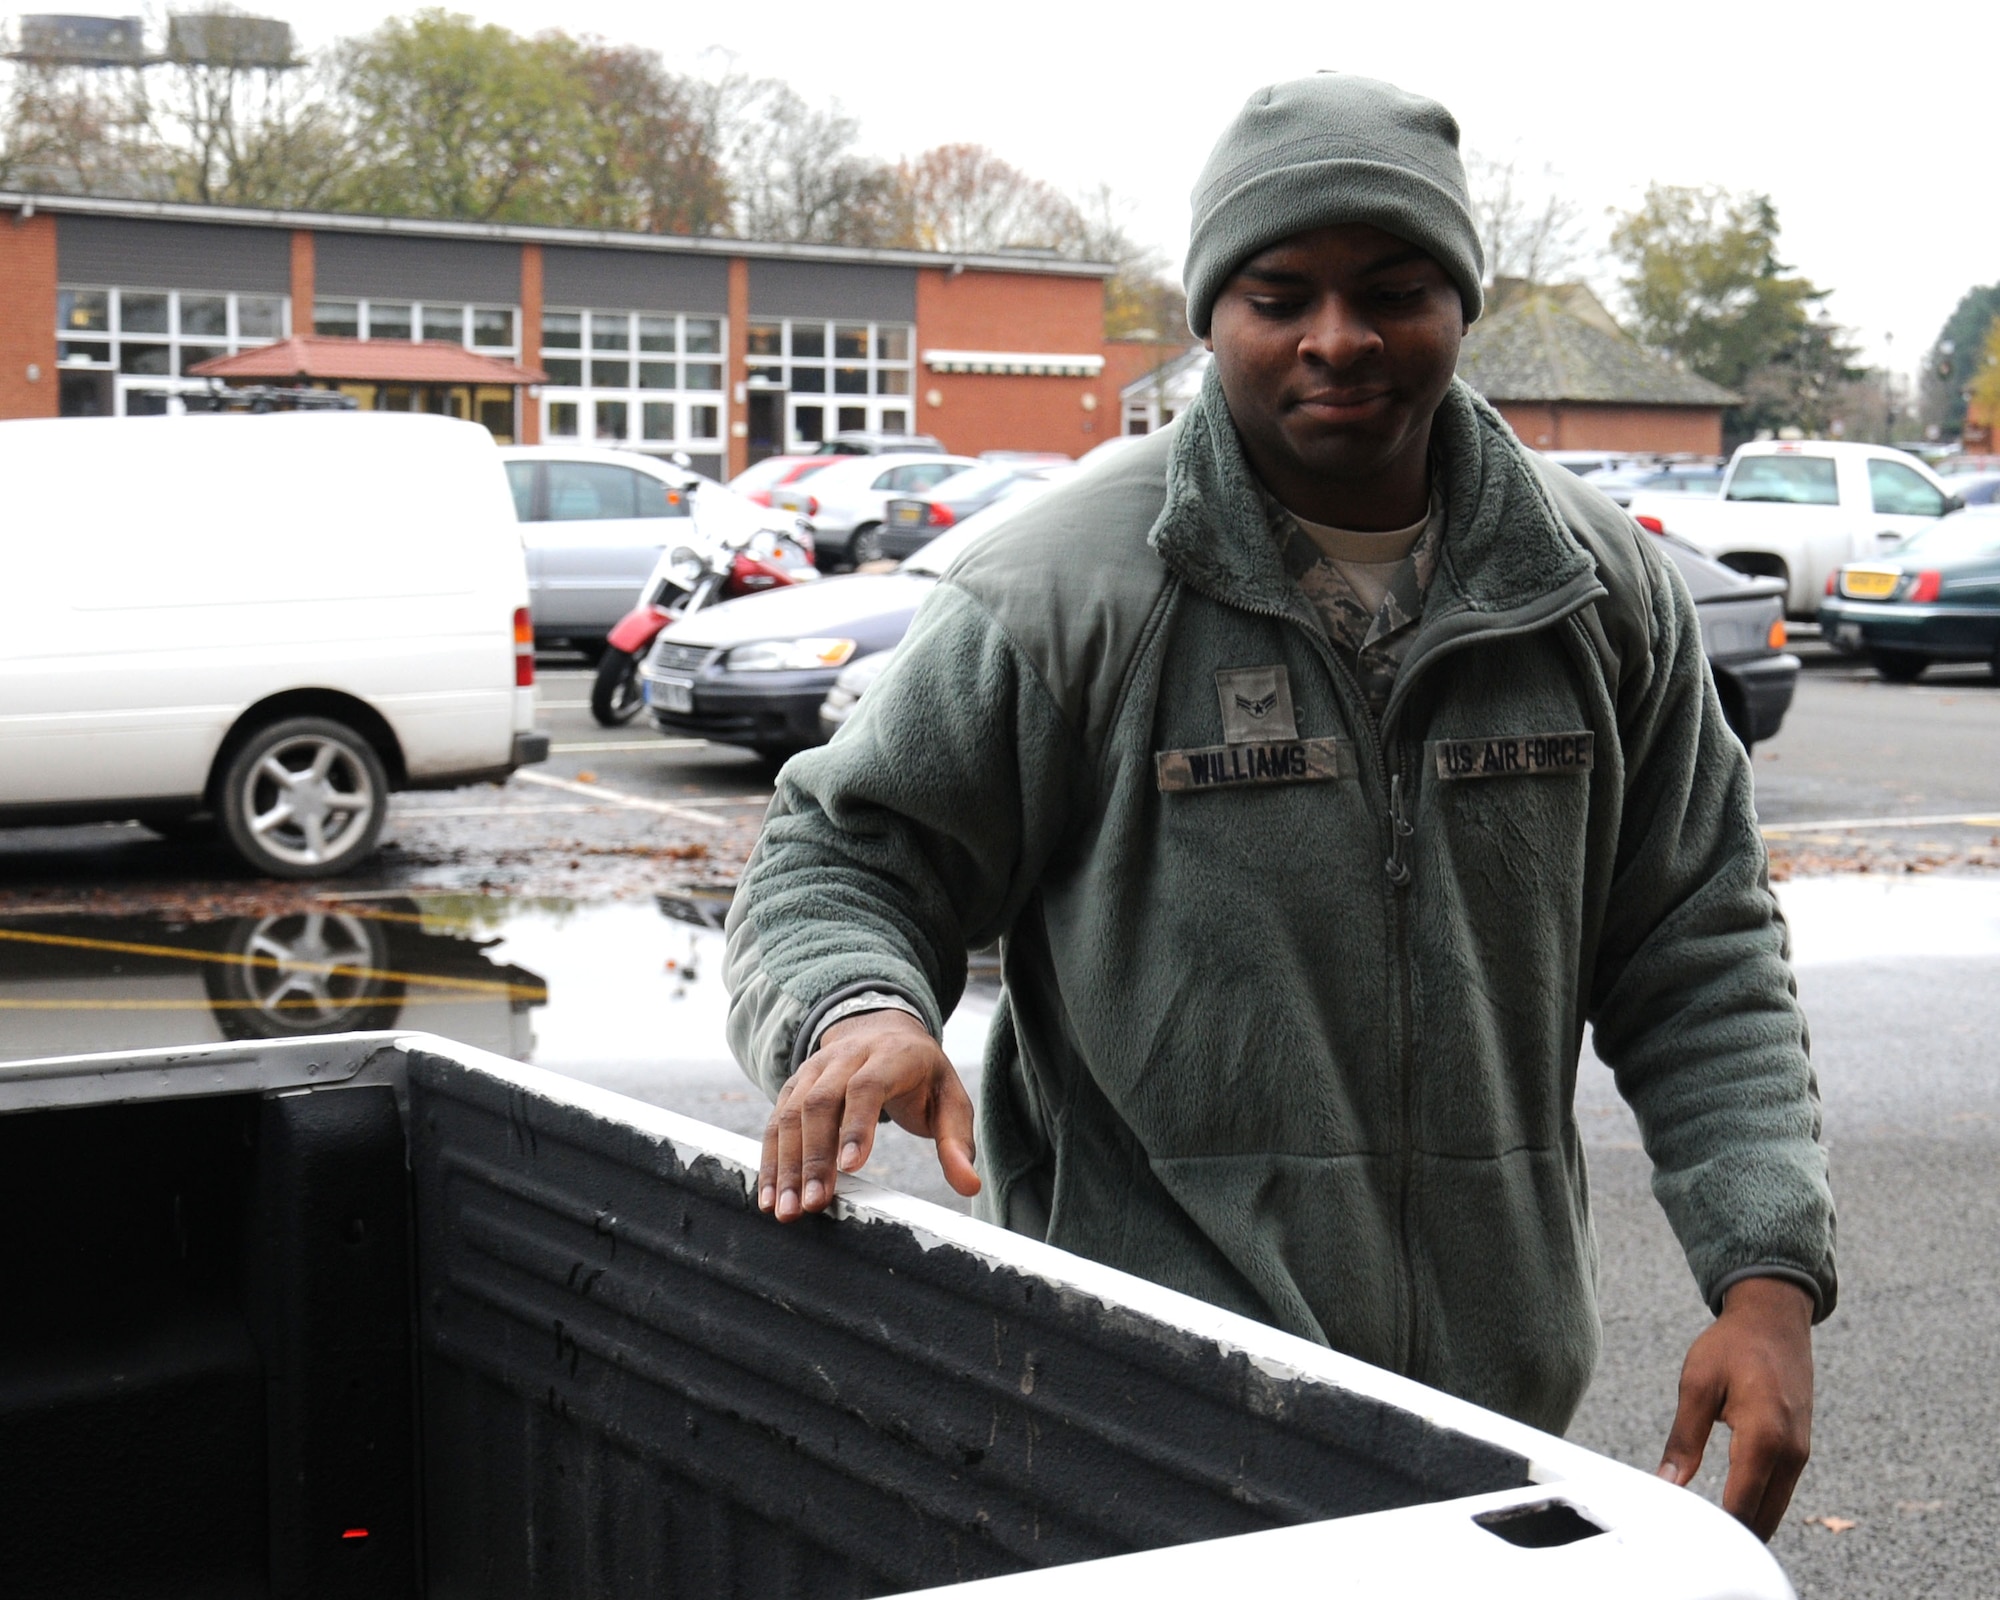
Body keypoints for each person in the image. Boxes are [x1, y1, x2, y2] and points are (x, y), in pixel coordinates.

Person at [724, 73, 1834, 1542]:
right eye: (1277, 292)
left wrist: (1766, 1284)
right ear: (1208, 317)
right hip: (1141, 1420)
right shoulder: (1068, 590)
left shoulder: (1593, 593)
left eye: (1395, 288)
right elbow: (842, 857)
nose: (1339, 338)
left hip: (1488, 1436)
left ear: (1461, 303)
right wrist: (857, 1009)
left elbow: (1699, 951)